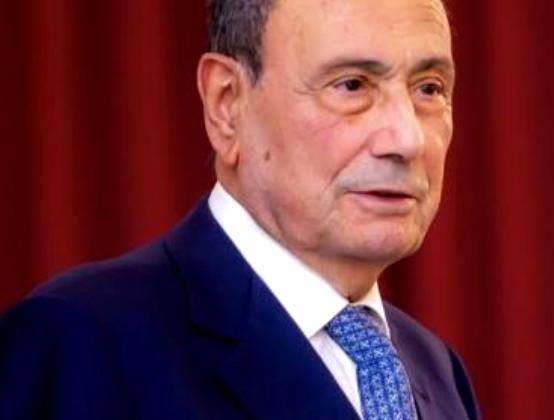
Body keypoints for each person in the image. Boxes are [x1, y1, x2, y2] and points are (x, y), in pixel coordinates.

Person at [0, 0, 481, 418]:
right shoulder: (80, 344)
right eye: (352, 85)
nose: (407, 139)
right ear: (226, 104)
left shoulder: (434, 368)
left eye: (429, 88)